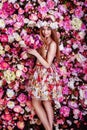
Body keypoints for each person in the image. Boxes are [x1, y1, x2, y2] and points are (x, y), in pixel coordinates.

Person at [28, 16, 61, 130]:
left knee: (46, 103)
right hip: (39, 73)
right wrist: (32, 53)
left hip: (46, 75)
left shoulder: (52, 44)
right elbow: (40, 58)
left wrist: (36, 54)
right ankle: (49, 128)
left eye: (48, 29)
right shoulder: (43, 41)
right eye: (43, 29)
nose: (45, 31)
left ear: (52, 30)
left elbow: (47, 64)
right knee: (37, 102)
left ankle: (49, 128)